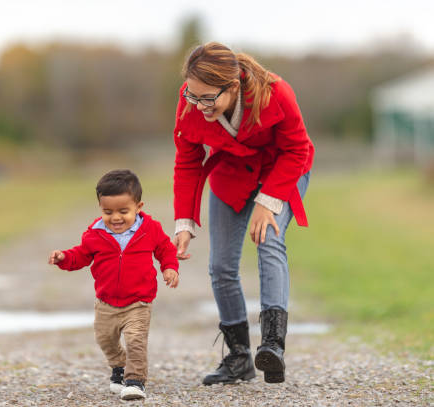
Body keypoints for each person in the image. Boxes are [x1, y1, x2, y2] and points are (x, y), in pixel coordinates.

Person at [172, 42, 314, 385]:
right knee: (220, 265)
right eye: (193, 96)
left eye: (208, 98)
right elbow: (188, 161)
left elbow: (297, 149)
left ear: (233, 86)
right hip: (232, 175)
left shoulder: (277, 93)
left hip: (281, 171)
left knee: (268, 242)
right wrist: (185, 222)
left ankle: (272, 346)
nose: (199, 105)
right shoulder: (192, 99)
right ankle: (238, 358)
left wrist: (268, 202)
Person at [48, 169, 179, 400]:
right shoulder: (95, 234)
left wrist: (169, 267)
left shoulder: (150, 229)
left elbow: (166, 249)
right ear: (100, 208)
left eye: (123, 211)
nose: (115, 218)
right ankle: (119, 367)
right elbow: (80, 256)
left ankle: (135, 381)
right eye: (108, 212)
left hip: (138, 301)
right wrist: (64, 258)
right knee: (105, 339)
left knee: (135, 340)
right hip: (106, 302)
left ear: (139, 207)